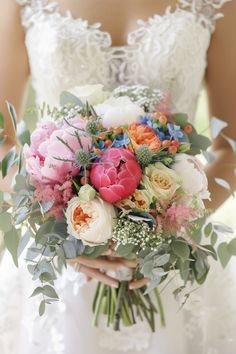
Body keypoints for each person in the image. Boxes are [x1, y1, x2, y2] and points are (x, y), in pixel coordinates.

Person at [0, 1, 236, 353]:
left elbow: (230, 148)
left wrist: (172, 223)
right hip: (63, 266)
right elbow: (3, 140)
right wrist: (59, 225)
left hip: (172, 262)